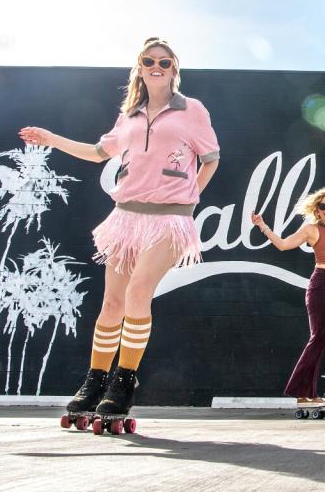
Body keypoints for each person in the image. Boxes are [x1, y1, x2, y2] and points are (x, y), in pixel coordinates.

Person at [19, 37, 219, 427]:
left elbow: (211, 159)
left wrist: (190, 196)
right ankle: (95, 382)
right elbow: (97, 152)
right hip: (126, 216)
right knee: (112, 303)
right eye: (149, 60)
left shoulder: (191, 110)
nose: (156, 65)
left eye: (164, 60)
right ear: (140, 68)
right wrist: (51, 139)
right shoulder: (129, 115)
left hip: (170, 218)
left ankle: (124, 382)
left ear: (174, 68)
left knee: (139, 290)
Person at [251, 185, 325, 412]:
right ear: (317, 209)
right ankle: (304, 394)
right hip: (320, 287)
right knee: (320, 334)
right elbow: (284, 245)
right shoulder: (311, 229)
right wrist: (263, 226)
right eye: (323, 206)